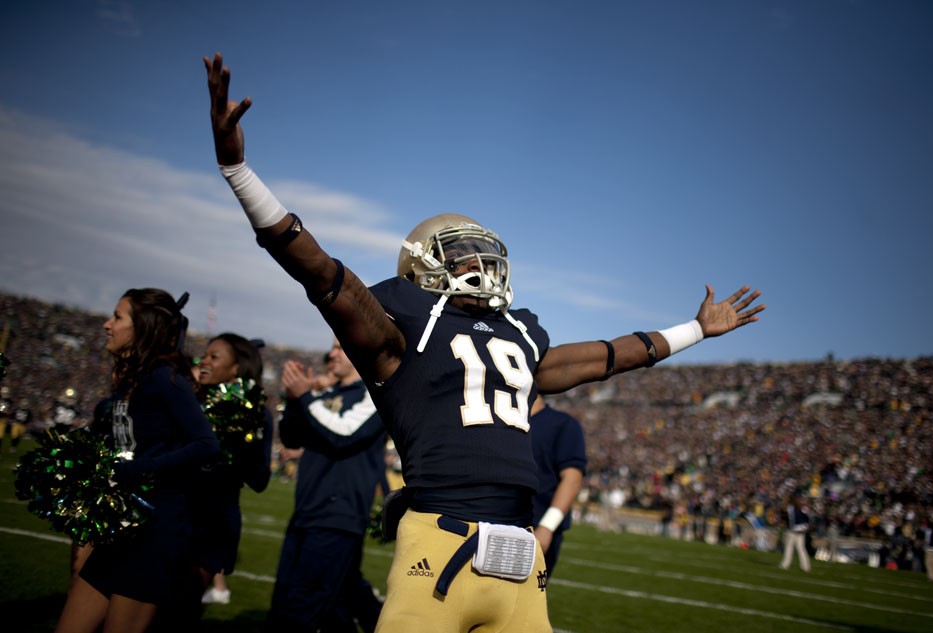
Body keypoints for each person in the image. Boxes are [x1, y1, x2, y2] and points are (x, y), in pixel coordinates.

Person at [204, 51, 765, 633]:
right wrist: (239, 171)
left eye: (479, 249)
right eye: (459, 252)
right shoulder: (400, 329)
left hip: (521, 556)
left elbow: (607, 355)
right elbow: (321, 272)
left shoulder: (518, 333)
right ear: (421, 268)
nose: (477, 260)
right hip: (438, 546)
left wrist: (696, 329)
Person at [54, 288, 219, 633]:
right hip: (120, 528)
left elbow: (206, 444)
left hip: (154, 534)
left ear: (142, 327)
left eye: (117, 317)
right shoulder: (133, 378)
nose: (106, 324)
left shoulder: (166, 378)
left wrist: (130, 471)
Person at [269, 339, 386, 633]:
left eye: (340, 347)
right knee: (330, 608)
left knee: (299, 610)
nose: (330, 354)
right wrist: (294, 400)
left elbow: (344, 434)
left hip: (338, 516)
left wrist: (307, 396)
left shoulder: (375, 394)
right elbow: (292, 438)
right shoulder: (325, 393)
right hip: (308, 509)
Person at [192, 333, 274, 606]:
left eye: (214, 357)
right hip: (172, 513)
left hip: (214, 520)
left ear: (236, 368)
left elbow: (260, 479)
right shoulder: (188, 400)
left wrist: (240, 437)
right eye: (204, 355)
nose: (204, 360)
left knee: (179, 610)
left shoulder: (257, 413)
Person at [530, 396, 586, 577]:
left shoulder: (562, 424)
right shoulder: (500, 421)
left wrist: (546, 527)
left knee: (524, 601)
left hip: (534, 527)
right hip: (493, 524)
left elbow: (572, 478)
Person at [779, 495, 812, 572]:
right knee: (799, 548)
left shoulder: (791, 508)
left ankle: (786, 564)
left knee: (790, 547)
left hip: (794, 530)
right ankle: (805, 566)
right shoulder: (802, 508)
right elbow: (807, 518)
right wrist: (806, 525)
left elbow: (792, 519)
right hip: (799, 530)